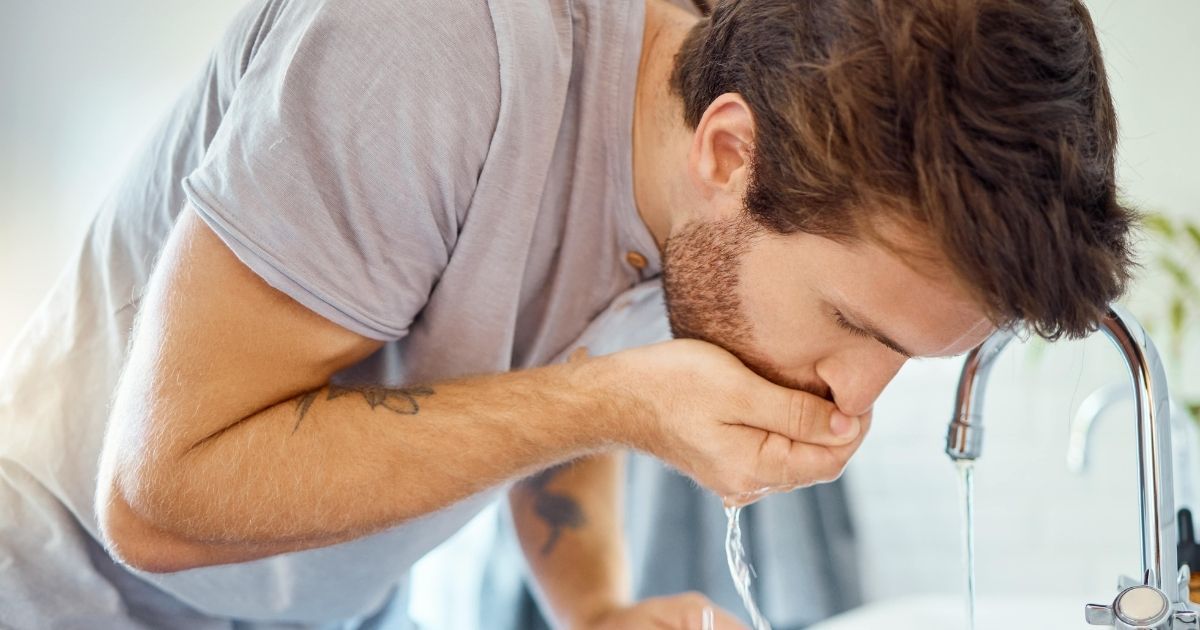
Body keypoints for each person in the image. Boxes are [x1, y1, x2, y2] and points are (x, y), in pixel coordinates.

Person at [0, 0, 1133, 627]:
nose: (854, 403)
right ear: (729, 151)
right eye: (858, 328)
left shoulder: (688, 184)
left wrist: (592, 608)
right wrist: (612, 402)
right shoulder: (430, 49)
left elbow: (548, 356)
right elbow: (160, 493)